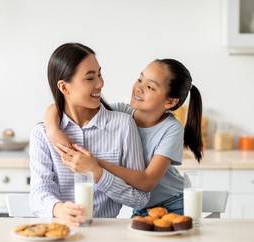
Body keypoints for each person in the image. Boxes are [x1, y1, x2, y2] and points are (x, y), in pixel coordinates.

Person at [46, 58, 203, 216]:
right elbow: (60, 107)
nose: (139, 88)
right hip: (142, 207)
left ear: (169, 102)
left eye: (150, 87)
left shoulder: (171, 129)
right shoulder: (120, 113)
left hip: (174, 203)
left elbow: (147, 182)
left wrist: (94, 164)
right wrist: (53, 130)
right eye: (140, 79)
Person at [29, 42, 150, 226]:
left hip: (108, 237)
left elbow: (140, 200)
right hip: (61, 234)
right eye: (89, 78)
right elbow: (38, 195)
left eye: (100, 74)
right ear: (64, 87)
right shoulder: (42, 134)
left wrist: (98, 173)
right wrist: (59, 209)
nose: (100, 83)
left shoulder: (123, 125)